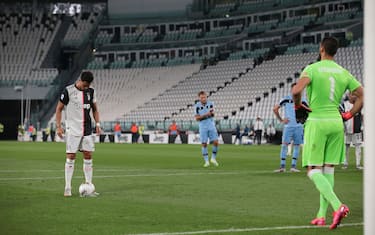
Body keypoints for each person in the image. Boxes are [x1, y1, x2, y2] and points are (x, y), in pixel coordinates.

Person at [292, 37, 363, 229]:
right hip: (336, 123)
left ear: (321, 48)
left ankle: (338, 206)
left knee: (313, 170)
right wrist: (349, 114)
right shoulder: (343, 72)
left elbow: (296, 90)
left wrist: (298, 105)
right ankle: (321, 215)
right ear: (335, 51)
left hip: (318, 122)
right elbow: (362, 94)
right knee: (328, 169)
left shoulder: (312, 68)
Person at [55, 71, 101, 197]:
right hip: (73, 130)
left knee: (88, 155)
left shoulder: (91, 92)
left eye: (88, 86)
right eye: (84, 85)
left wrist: (98, 124)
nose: (86, 88)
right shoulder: (68, 91)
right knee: (71, 156)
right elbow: (59, 109)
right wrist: (59, 127)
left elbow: (95, 109)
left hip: (87, 129)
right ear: (80, 80)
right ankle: (68, 187)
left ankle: (89, 185)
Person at [273, 83, 307, 173]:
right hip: (288, 126)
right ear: (291, 90)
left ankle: (293, 167)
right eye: (294, 89)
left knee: (296, 146)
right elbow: (275, 109)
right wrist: (281, 120)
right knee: (284, 145)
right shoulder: (286, 99)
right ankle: (282, 167)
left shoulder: (303, 100)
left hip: (299, 126)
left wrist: (304, 120)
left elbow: (308, 112)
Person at [194, 91, 219, 167]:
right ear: (199, 98)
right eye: (202, 97)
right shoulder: (197, 106)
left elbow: (213, 114)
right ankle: (206, 161)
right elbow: (197, 118)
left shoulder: (211, 103)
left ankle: (213, 158)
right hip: (202, 126)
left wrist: (212, 114)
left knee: (216, 142)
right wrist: (206, 115)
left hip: (211, 125)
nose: (204, 99)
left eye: (204, 97)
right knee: (204, 144)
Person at [341, 93, 363, 170]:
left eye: (355, 95)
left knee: (358, 146)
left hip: (356, 130)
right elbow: (341, 116)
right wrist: (342, 127)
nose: (354, 96)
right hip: (346, 130)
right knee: (346, 147)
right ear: (349, 96)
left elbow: (362, 115)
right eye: (352, 95)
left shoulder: (359, 104)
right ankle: (345, 163)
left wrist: (362, 126)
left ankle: (358, 164)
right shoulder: (344, 105)